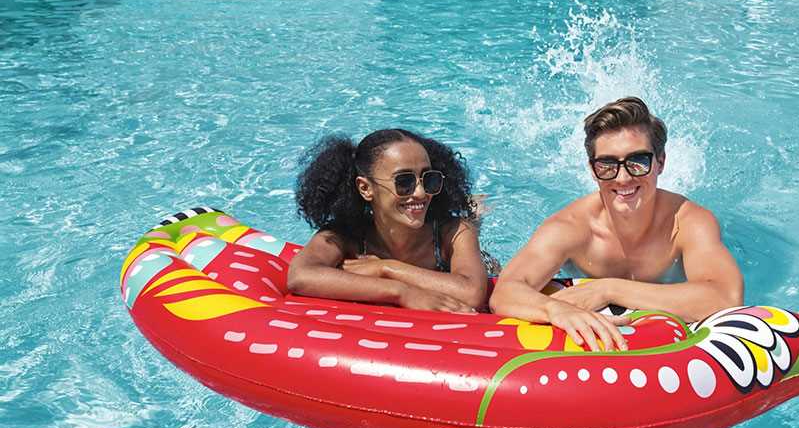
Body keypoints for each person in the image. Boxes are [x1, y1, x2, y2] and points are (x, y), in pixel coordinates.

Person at [490, 97, 744, 351]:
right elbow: (505, 292)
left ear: (661, 162)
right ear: (593, 170)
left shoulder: (688, 222)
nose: (623, 178)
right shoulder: (569, 227)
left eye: (638, 162)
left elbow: (725, 297)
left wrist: (608, 289)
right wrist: (554, 309)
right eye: (607, 165)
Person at [287, 129, 488, 313]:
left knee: (473, 224)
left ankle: (474, 208)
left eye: (429, 179)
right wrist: (401, 291)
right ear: (366, 188)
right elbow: (300, 276)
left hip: (480, 258)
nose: (420, 193)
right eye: (404, 182)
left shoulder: (454, 232)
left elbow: (472, 294)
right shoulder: (346, 234)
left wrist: (385, 267)